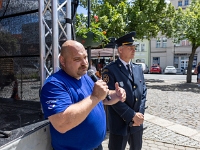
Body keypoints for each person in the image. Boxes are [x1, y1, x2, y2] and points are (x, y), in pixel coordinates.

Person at [40, 40, 126, 150]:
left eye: (85, 57)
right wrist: (95, 97)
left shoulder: (86, 76)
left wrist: (116, 95)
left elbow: (103, 97)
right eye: (77, 59)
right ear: (62, 60)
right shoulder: (54, 84)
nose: (84, 63)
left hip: (96, 146)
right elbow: (61, 123)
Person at [102, 31, 147, 150]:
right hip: (119, 122)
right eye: (130, 47)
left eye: (134, 47)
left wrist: (139, 115)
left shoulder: (138, 69)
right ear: (120, 50)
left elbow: (143, 93)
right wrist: (132, 115)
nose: (134, 50)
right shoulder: (110, 70)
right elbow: (109, 97)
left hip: (137, 123)